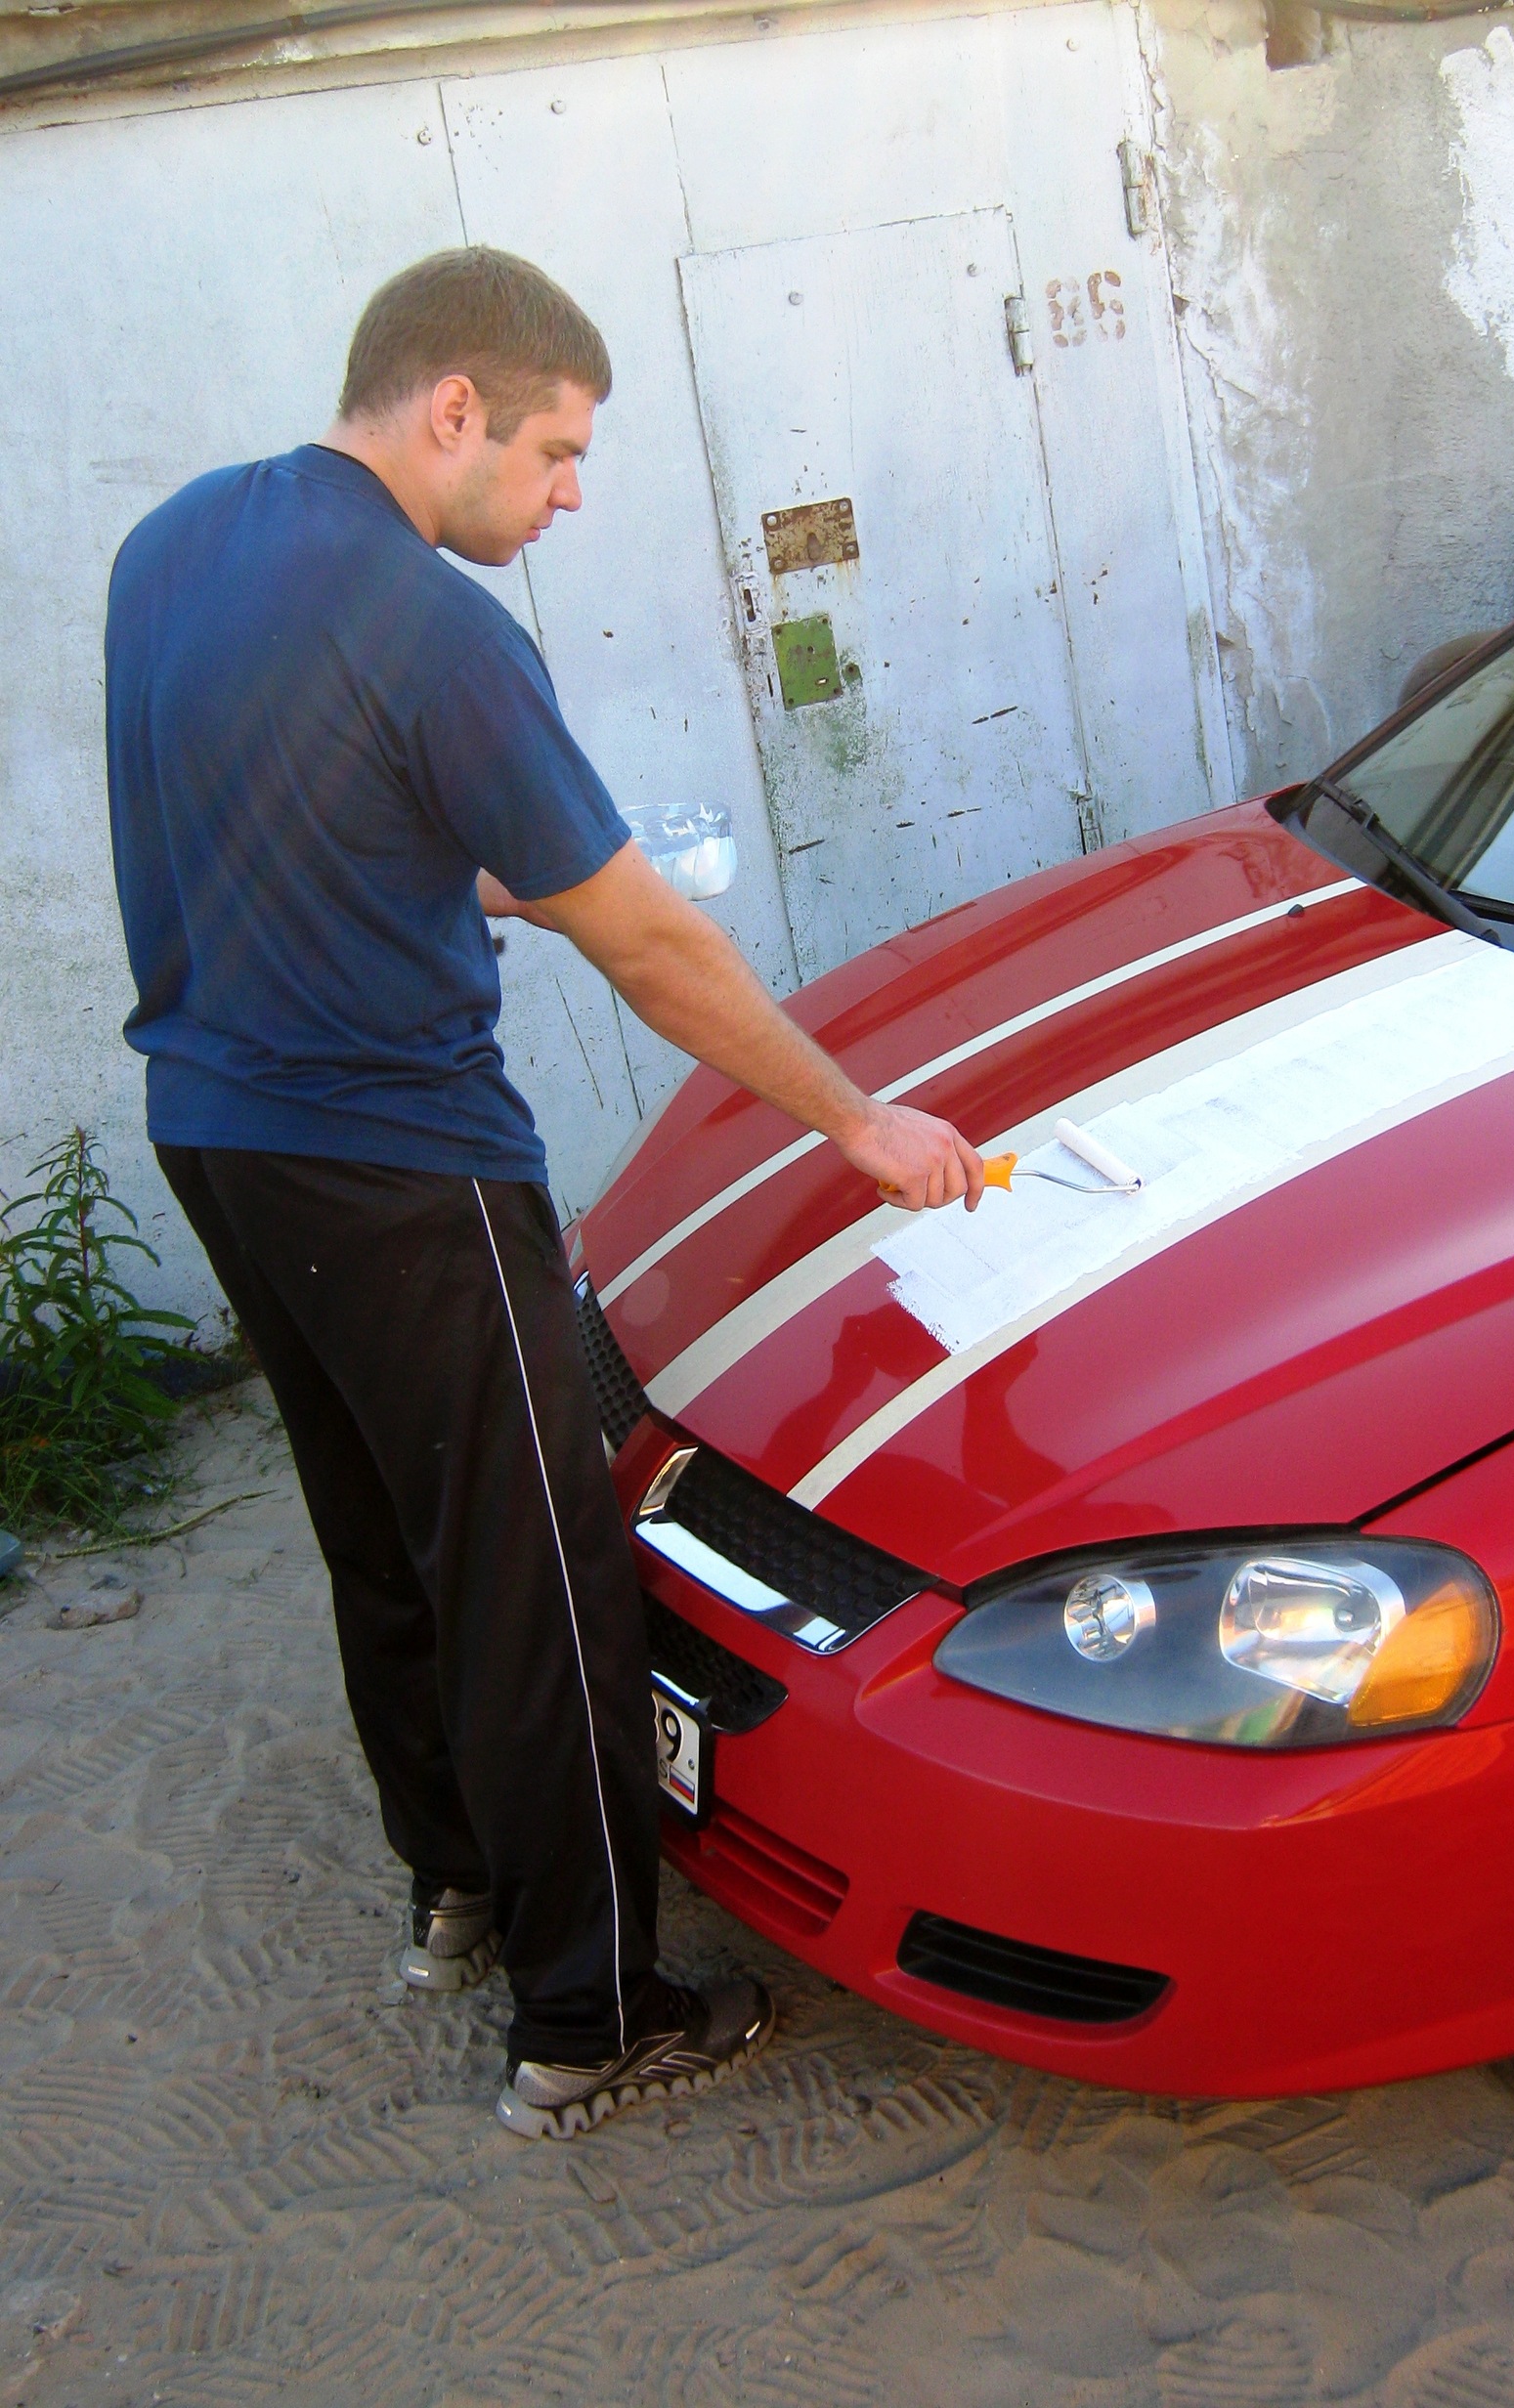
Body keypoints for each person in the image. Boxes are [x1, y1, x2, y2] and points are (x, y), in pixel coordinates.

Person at [104, 246, 983, 2139]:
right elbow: (655, 950)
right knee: (540, 1579)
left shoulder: (171, 549)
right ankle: (593, 2012)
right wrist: (856, 1118)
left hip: (222, 1136)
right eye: (560, 453)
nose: (569, 496)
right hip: (405, 1167)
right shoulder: (430, 628)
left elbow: (245, 825)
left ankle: (460, 1889)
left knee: (385, 1535)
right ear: (452, 412)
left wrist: (455, 874)